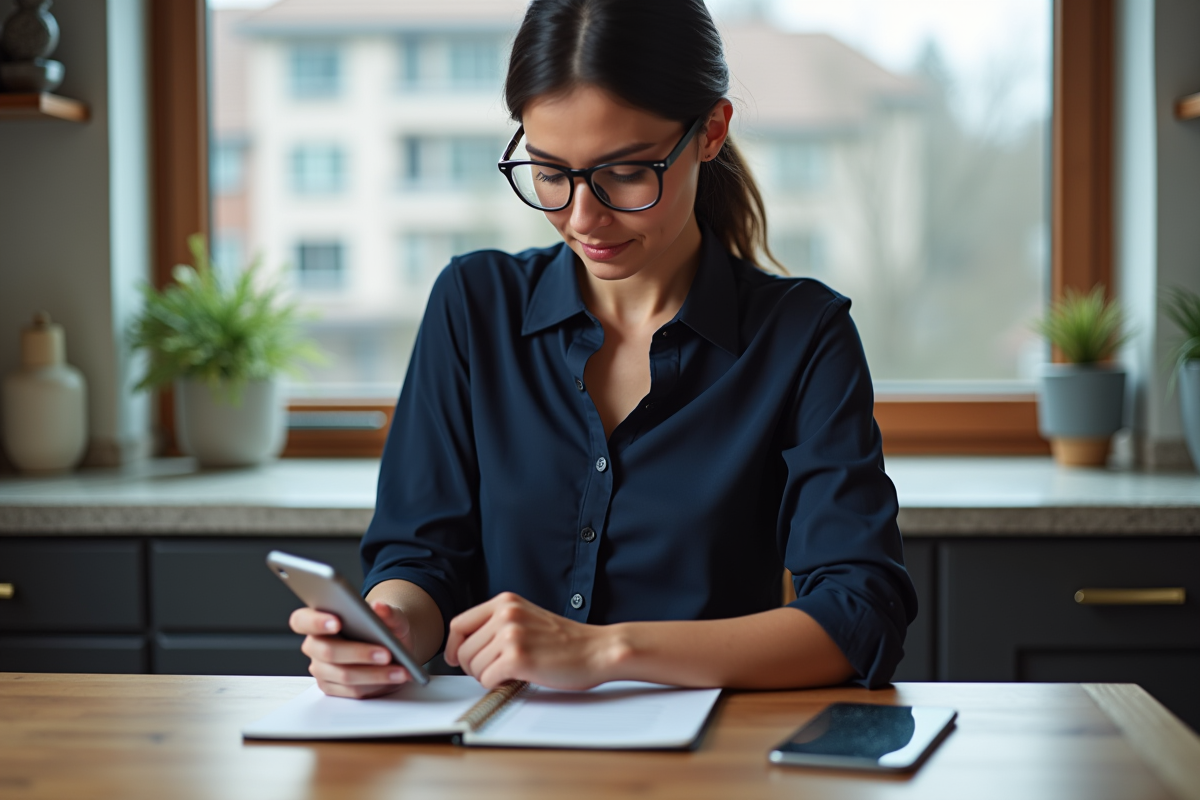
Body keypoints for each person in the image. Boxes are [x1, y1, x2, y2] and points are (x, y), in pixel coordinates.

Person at [290, 0, 917, 698]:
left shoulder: (802, 335)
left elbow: (861, 613)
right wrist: (394, 628)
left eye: (625, 173)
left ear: (710, 132)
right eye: (551, 173)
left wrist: (605, 652)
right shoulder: (473, 305)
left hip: (710, 764)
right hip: (498, 757)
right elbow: (422, 555)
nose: (582, 219)